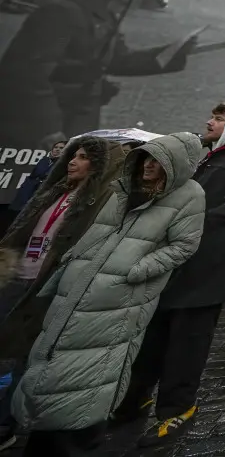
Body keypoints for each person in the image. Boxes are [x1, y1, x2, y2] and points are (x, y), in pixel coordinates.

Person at [12, 133, 206, 456]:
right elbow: (97, 233)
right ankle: (43, 430)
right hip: (81, 285)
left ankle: (73, 437)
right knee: (55, 356)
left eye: (158, 161)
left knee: (91, 371)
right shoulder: (124, 188)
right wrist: (73, 261)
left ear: (175, 165)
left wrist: (138, 269)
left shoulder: (190, 195)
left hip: (120, 298)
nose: (148, 165)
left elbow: (184, 245)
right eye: (147, 158)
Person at [112, 102, 225, 448]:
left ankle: (177, 408)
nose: (209, 122)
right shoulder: (212, 154)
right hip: (179, 259)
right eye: (212, 117)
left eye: (218, 117)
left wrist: (201, 219)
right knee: (153, 334)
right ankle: (135, 396)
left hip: (208, 265)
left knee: (187, 342)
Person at [0, 137, 125, 450]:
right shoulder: (54, 191)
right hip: (18, 278)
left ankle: (8, 422)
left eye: (83, 157)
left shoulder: (97, 202)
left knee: (27, 359)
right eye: (72, 156)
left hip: (46, 287)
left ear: (97, 167)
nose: (72, 161)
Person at [0, 0, 195, 148]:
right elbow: (28, 74)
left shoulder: (105, 15)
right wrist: (48, 129)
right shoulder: (60, 12)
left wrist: (173, 52)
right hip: (40, 125)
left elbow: (118, 60)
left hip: (77, 120)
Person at [3, 141, 67, 235]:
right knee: (14, 219)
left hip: (42, 196)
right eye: (56, 147)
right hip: (27, 192)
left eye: (61, 148)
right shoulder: (44, 160)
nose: (57, 149)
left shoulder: (64, 165)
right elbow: (36, 174)